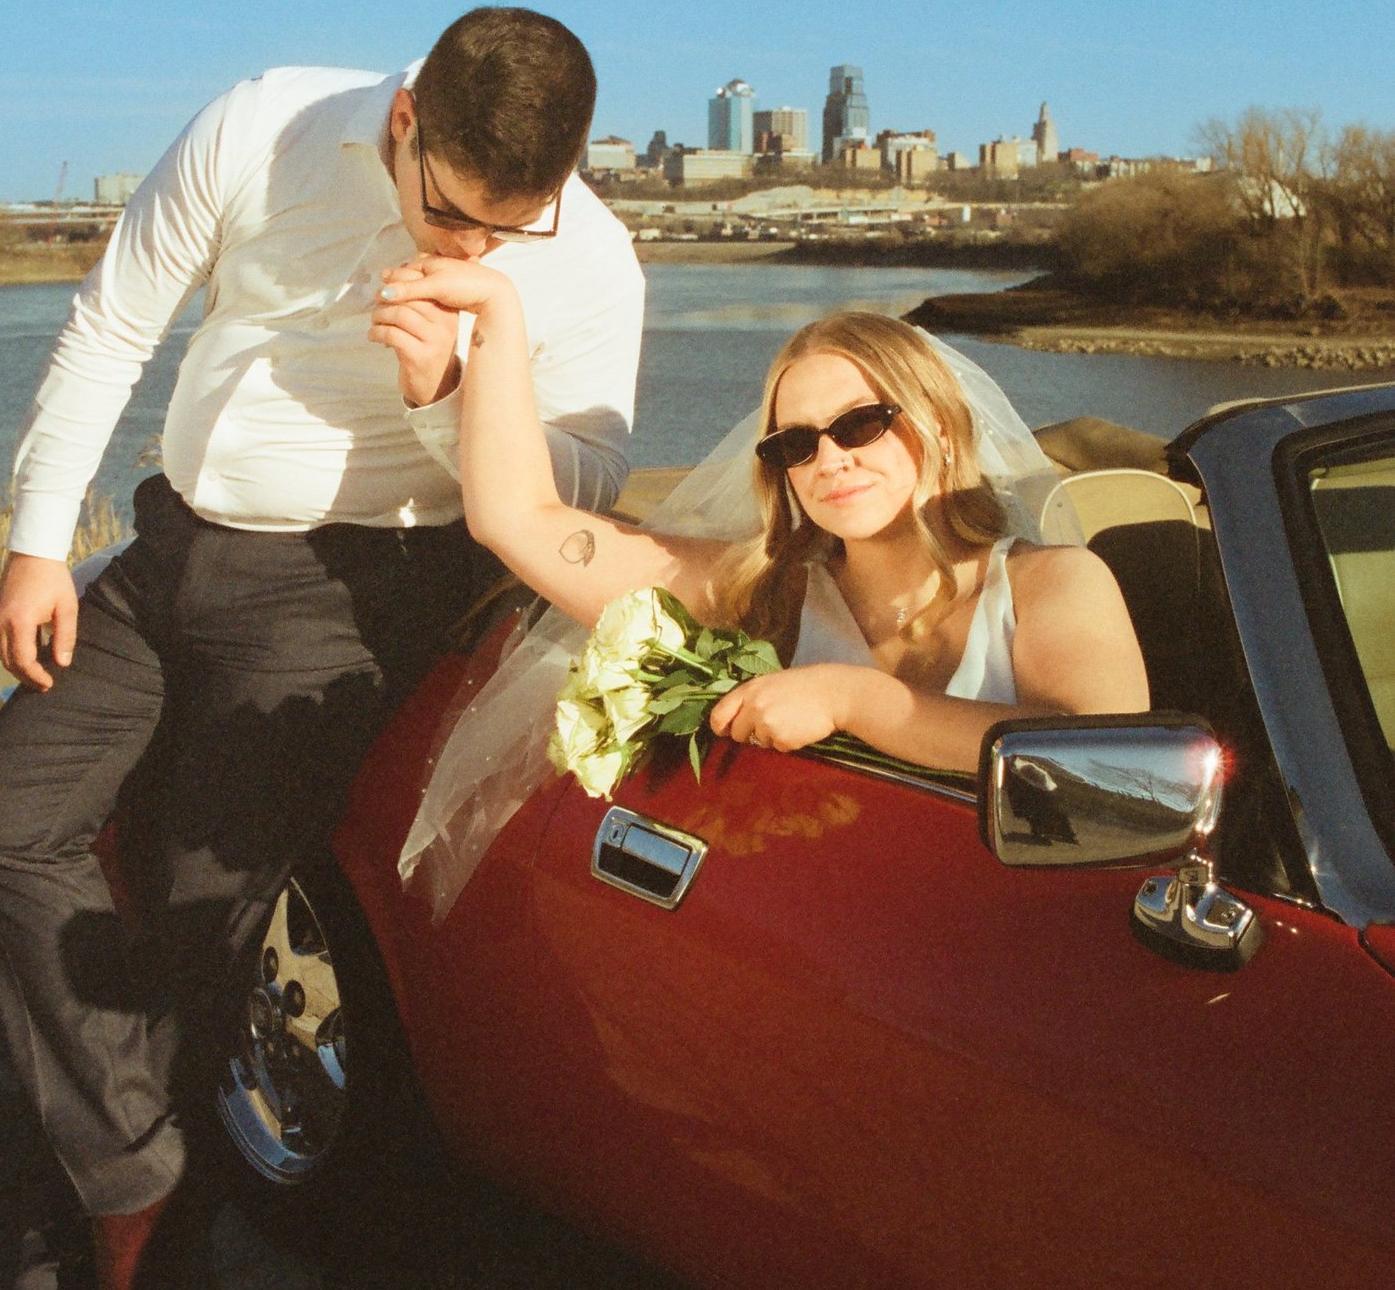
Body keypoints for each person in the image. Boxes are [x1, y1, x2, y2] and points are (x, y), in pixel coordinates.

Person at [0, 9, 644, 1290]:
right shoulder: (263, 123)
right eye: (452, 213)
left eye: (515, 226)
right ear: (405, 118)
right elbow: (115, 319)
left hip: (351, 586)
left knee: (190, 921)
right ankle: (137, 1177)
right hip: (172, 546)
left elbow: (591, 482)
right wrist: (34, 541)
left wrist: (453, 393)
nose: (477, 250)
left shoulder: (590, 255)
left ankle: (66, 1256)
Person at [370, 261, 1149, 916]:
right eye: (796, 443)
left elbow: (1120, 783)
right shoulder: (761, 594)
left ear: (940, 426)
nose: (829, 460)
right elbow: (518, 520)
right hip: (823, 944)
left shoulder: (1051, 584)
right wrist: (496, 315)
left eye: (860, 424)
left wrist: (853, 699)